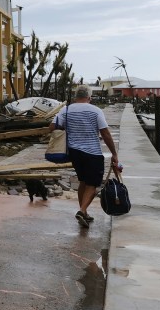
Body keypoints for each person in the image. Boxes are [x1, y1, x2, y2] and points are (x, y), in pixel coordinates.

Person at [49, 85, 120, 228]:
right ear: (89, 97)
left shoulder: (66, 109)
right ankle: (82, 211)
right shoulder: (95, 110)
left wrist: (69, 129)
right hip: (92, 153)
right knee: (93, 184)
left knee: (83, 181)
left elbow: (52, 127)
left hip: (74, 152)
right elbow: (105, 133)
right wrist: (114, 153)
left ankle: (85, 213)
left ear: (76, 96)